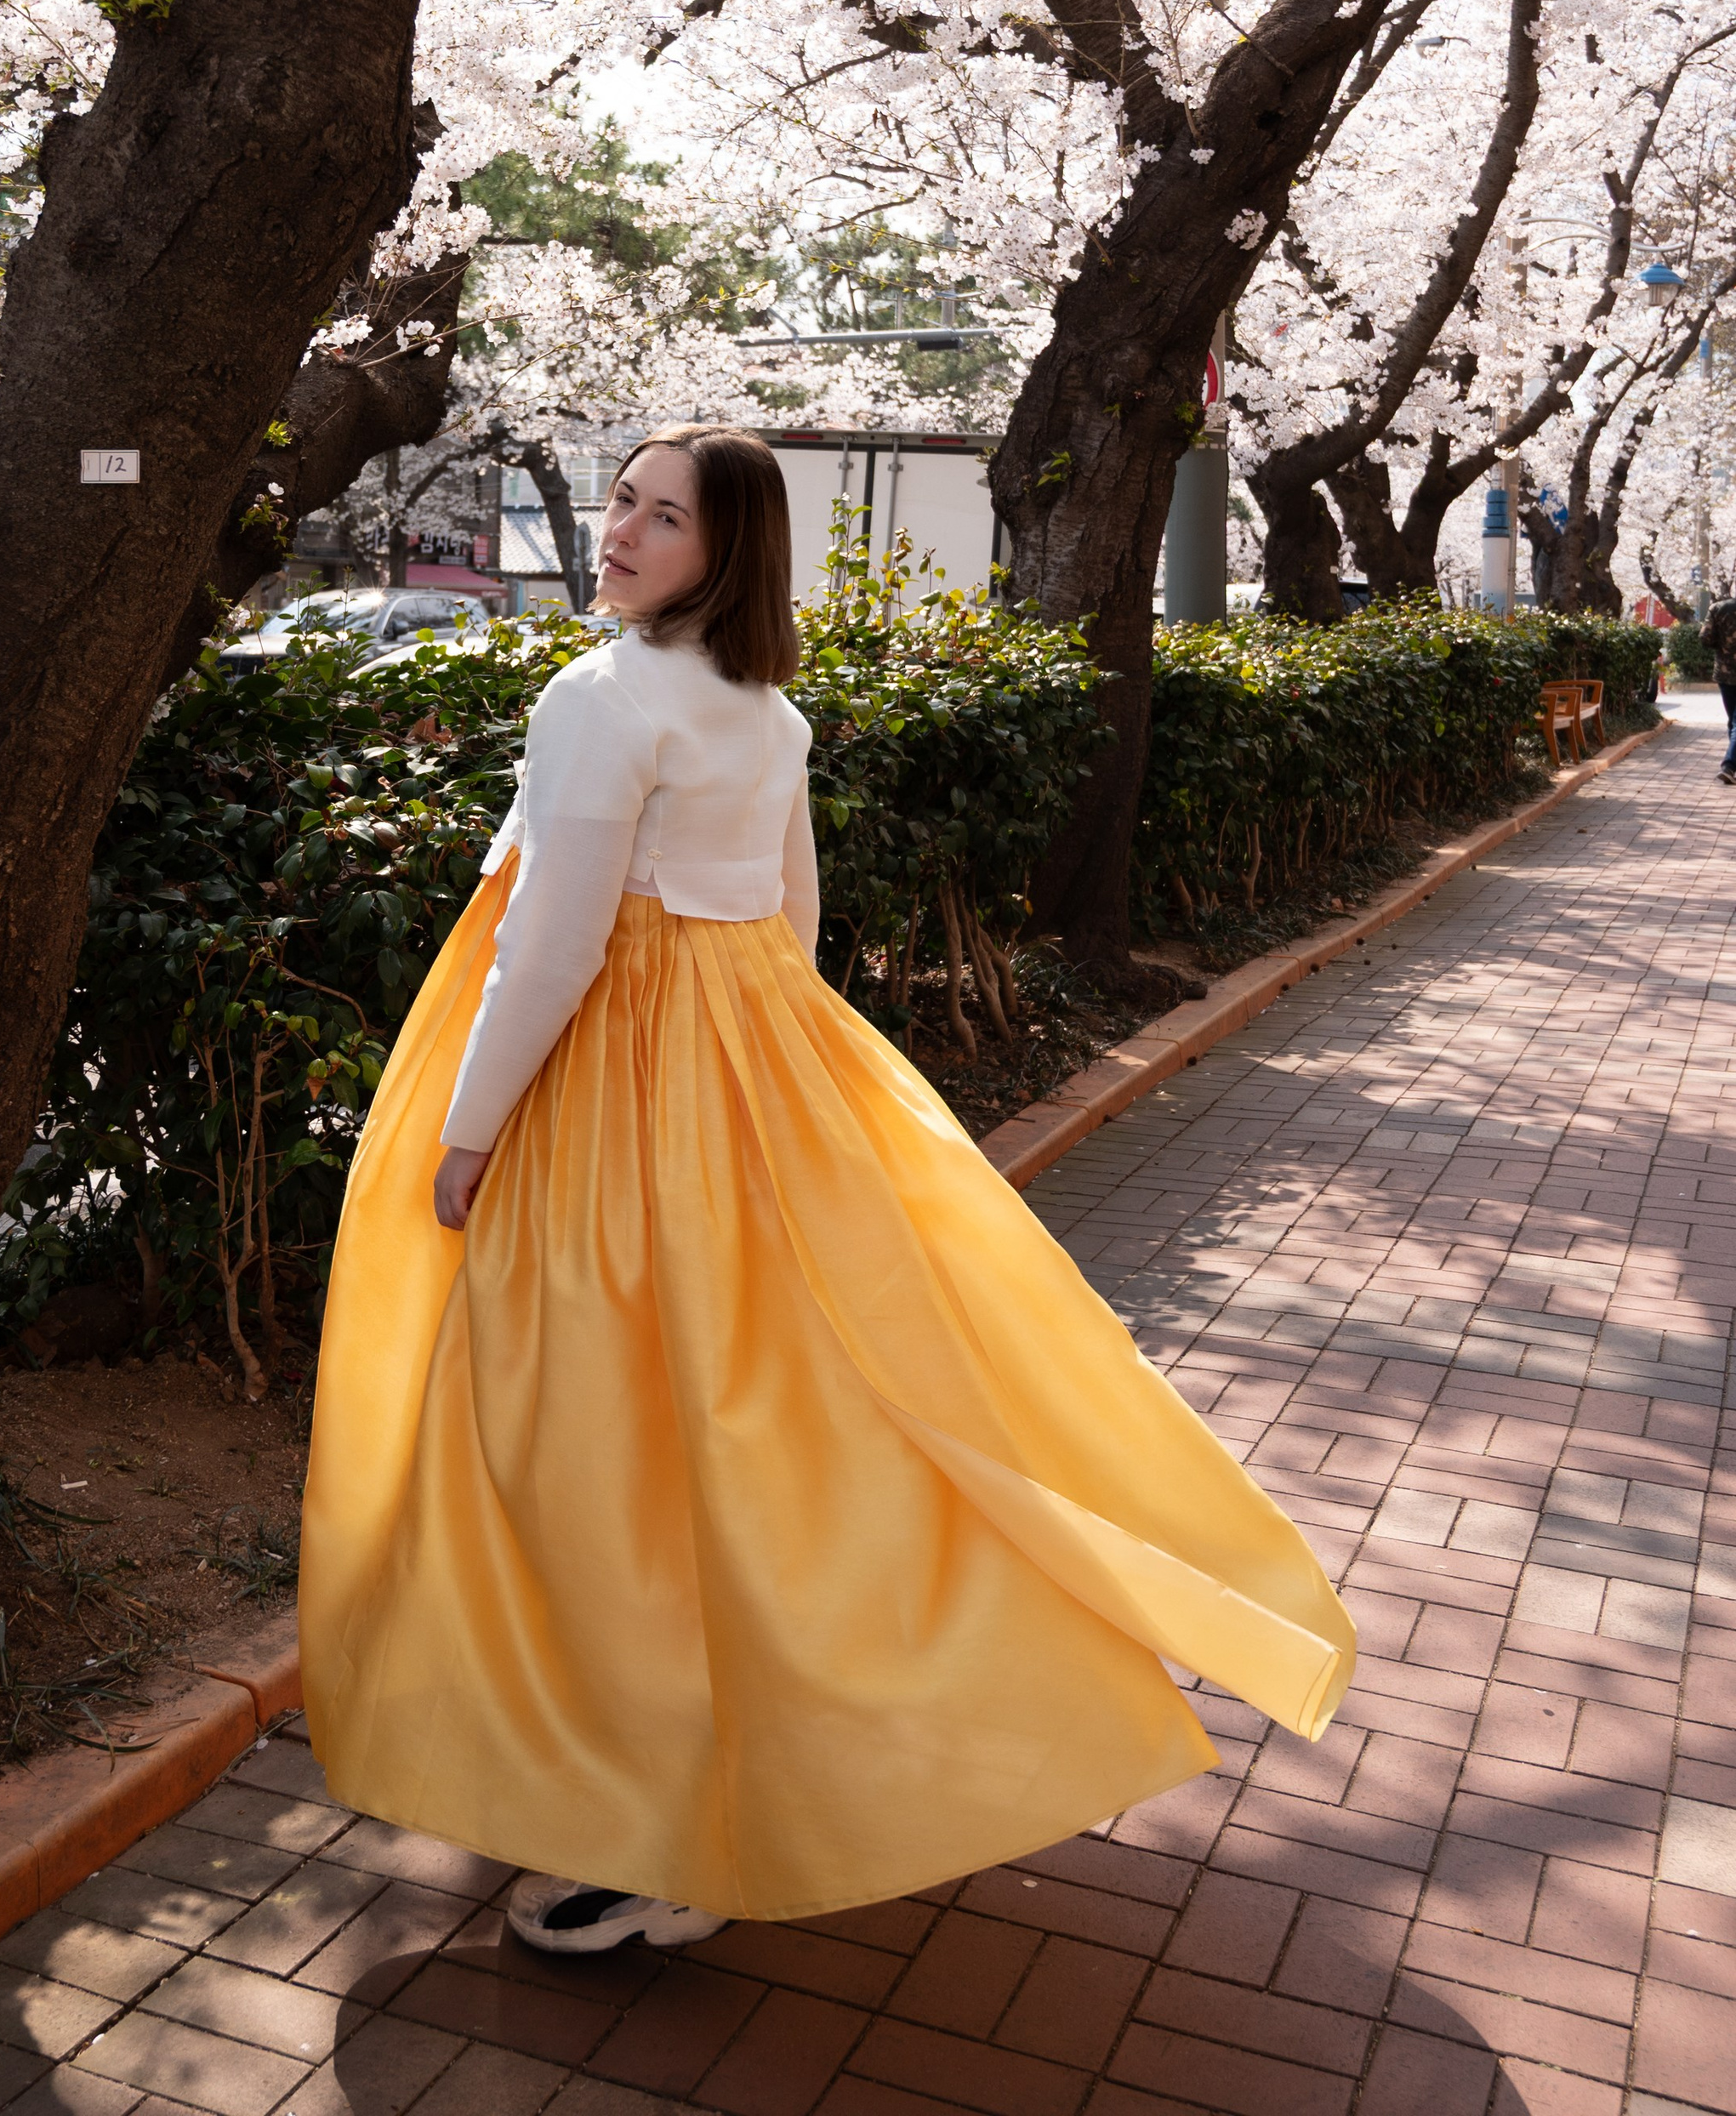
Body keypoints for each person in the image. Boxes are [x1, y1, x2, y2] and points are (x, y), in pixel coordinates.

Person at [299, 424, 1354, 1954]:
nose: (622, 530)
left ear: (726, 554)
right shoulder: (765, 709)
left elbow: (558, 945)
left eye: (663, 518)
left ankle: (648, 1822)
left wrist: (470, 1127)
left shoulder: (601, 697)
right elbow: (791, 924)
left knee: (591, 1442)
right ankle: (715, 1785)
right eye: (624, 501)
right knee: (754, 1428)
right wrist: (767, 1095)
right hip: (751, 1070)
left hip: (604, 1081)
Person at [1706, 595, 1736, 781]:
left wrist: (1724, 646)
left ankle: (1730, 765)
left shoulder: (1718, 608)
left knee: (1733, 720)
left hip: (1725, 673)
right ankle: (1729, 765)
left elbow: (1705, 638)